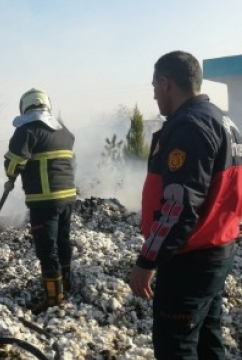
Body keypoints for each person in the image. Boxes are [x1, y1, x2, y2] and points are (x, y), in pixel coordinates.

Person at [128, 51, 242, 359]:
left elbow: (178, 207)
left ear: (166, 83)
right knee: (207, 340)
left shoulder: (189, 127)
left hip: (190, 260)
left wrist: (147, 260)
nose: (154, 95)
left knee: (175, 347)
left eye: (154, 87)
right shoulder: (223, 120)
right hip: (217, 250)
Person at [3, 88, 76, 313]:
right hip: (68, 197)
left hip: (44, 200)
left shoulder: (27, 130)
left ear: (25, 106)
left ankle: (54, 298)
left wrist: (11, 176)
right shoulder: (63, 131)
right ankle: (66, 282)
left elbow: (14, 162)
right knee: (63, 241)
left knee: (47, 249)